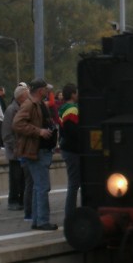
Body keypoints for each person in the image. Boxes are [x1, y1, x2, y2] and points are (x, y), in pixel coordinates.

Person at [13, 77, 58, 230]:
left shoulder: (36, 104)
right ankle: (42, 221)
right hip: (36, 151)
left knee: (38, 187)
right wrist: (39, 131)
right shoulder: (29, 105)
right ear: (40, 91)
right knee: (42, 187)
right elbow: (17, 123)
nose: (48, 92)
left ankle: (36, 220)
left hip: (39, 151)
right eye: (46, 89)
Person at [1, 84, 29, 212]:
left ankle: (21, 200)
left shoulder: (23, 108)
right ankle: (13, 200)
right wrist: (15, 147)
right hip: (15, 151)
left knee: (23, 178)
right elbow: (7, 132)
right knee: (15, 178)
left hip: (23, 149)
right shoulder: (11, 110)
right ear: (21, 97)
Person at [59, 83, 81, 225]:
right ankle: (70, 215)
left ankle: (70, 213)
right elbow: (73, 132)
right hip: (73, 150)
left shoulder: (63, 108)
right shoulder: (72, 109)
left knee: (73, 183)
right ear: (73, 94)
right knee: (74, 184)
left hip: (67, 148)